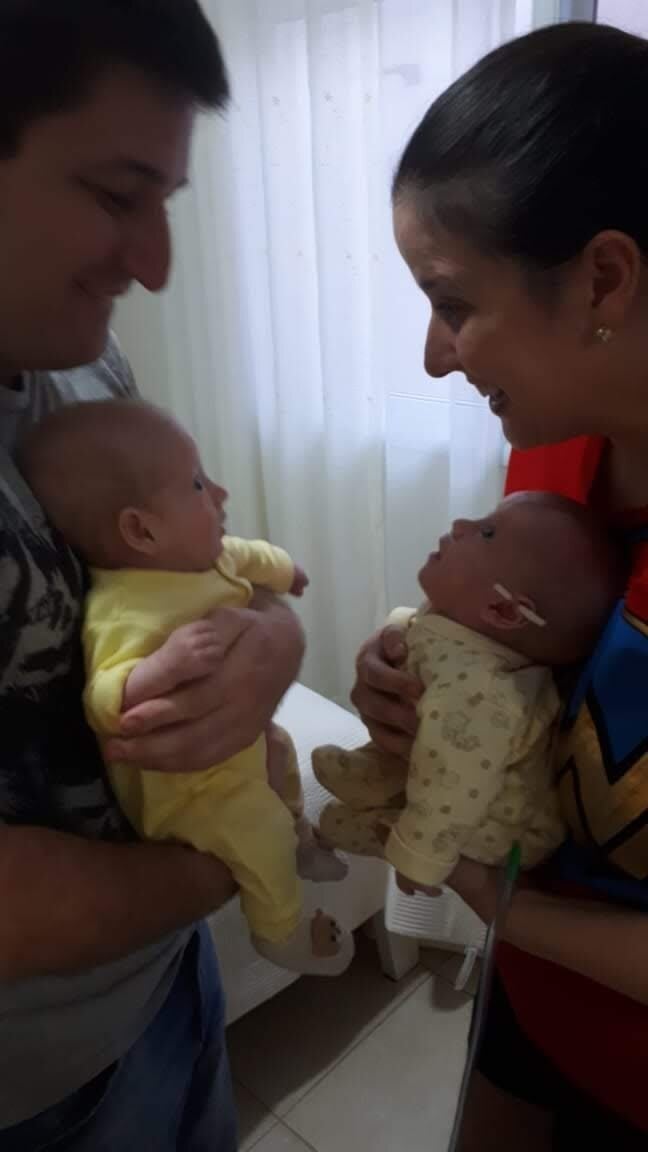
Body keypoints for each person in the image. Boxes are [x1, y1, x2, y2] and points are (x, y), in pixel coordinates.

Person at [0, 3, 305, 1148]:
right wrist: (233, 860)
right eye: (116, 194)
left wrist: (272, 641)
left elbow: (188, 548)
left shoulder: (81, 365)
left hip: (165, 984)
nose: (158, 266)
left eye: (165, 202)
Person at [352, 21, 648, 1150]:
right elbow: (535, 665)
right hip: (533, 1006)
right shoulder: (555, 454)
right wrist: (422, 686)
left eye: (453, 302)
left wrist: (495, 897)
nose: (436, 356)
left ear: (603, 278)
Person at [22, 399, 352, 976]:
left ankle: (300, 838)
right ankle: (281, 932)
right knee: (259, 828)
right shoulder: (122, 608)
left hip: (240, 752)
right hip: (188, 794)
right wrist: (162, 666)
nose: (221, 492)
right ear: (142, 530)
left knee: (280, 751)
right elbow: (104, 695)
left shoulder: (204, 559)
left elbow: (248, 556)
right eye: (198, 484)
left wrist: (286, 572)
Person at [313, 493, 620, 890]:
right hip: (448, 768)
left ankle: (381, 821)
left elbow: (451, 781)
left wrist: (419, 857)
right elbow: (428, 632)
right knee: (426, 742)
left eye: (486, 532)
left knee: (348, 818)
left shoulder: (480, 692)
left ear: (503, 611)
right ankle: (376, 774)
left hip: (496, 820)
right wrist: (392, 635)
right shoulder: (469, 633)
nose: (460, 524)